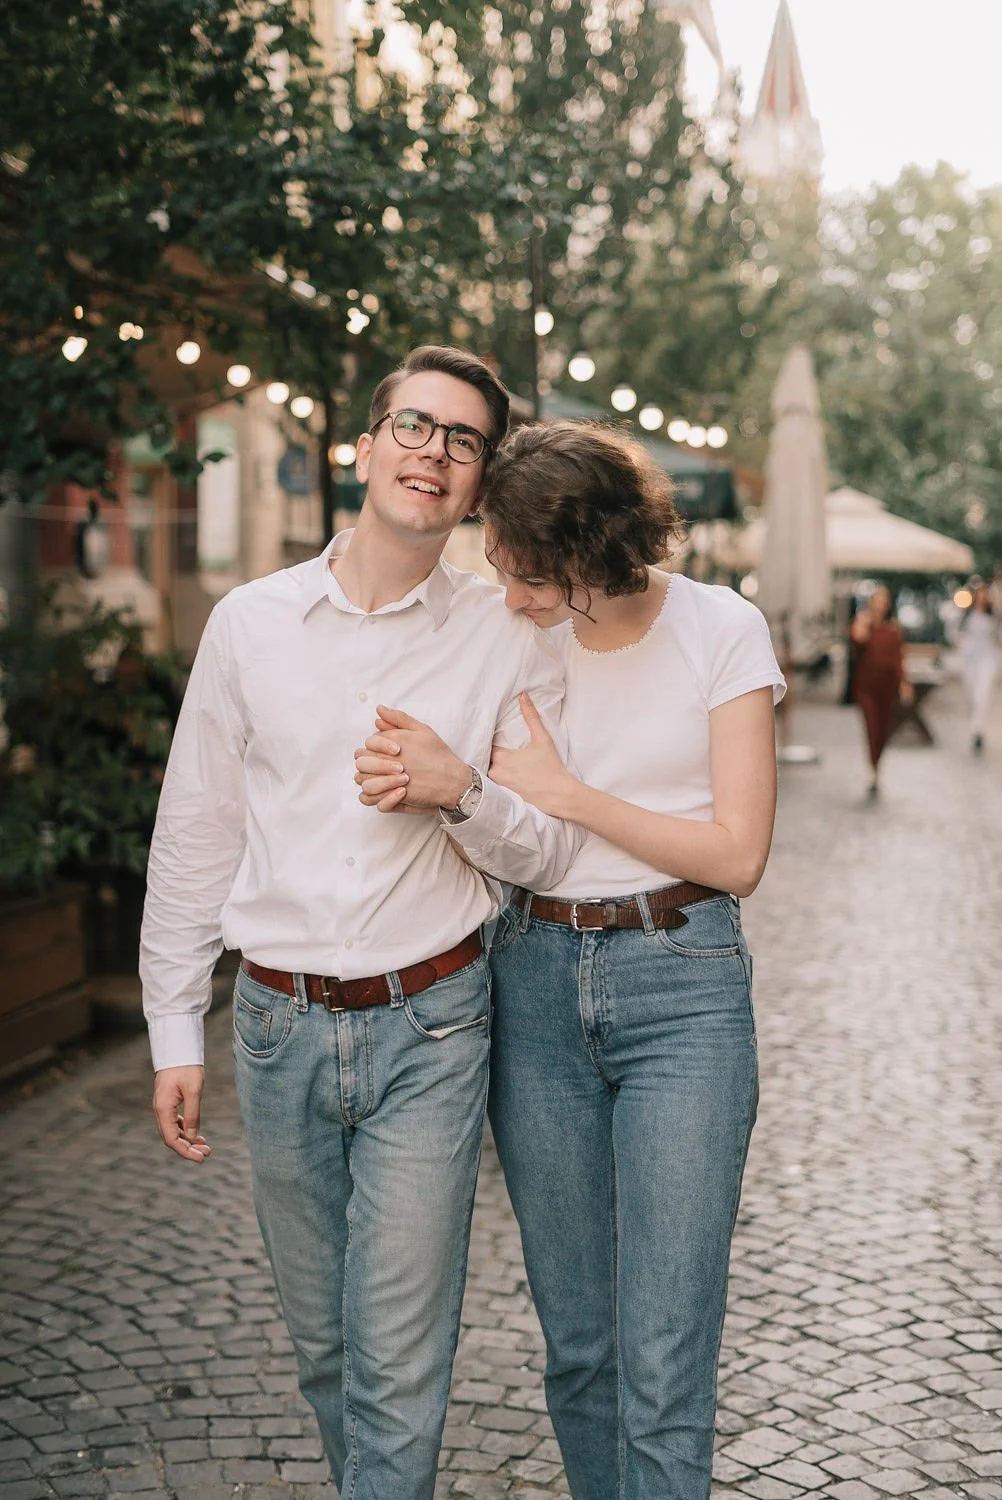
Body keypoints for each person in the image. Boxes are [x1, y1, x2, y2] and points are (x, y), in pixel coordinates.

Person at [139, 346, 580, 1500]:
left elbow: (550, 845)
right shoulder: (250, 624)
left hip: (433, 1024)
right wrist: (175, 1030)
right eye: (416, 427)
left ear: (481, 482)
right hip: (275, 1028)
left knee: (395, 1357)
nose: (434, 453)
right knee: (327, 1352)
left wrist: (462, 792)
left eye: (464, 440)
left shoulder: (508, 636)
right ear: (368, 443)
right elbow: (196, 833)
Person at [354, 420, 786, 1500]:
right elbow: (484, 809)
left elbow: (739, 855)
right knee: (581, 1346)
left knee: (665, 1351)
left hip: (683, 985)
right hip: (534, 978)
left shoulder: (721, 630)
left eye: (533, 574)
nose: (510, 593)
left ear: (602, 551)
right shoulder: (513, 640)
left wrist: (574, 796)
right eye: (497, 563)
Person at [849, 583, 913, 795]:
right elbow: (857, 642)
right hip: (866, 685)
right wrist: (862, 624)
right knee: (871, 726)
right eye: (878, 599)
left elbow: (898, 659)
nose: (881, 604)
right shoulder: (863, 624)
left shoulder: (893, 630)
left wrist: (904, 683)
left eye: (884, 600)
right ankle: (873, 767)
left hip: (887, 686)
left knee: (883, 730)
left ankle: (877, 765)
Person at [957, 582, 1000, 753]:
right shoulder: (966, 615)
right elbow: (955, 632)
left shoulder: (994, 616)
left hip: (987, 659)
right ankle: (975, 726)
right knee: (972, 696)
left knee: (982, 694)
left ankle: (977, 730)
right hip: (970, 659)